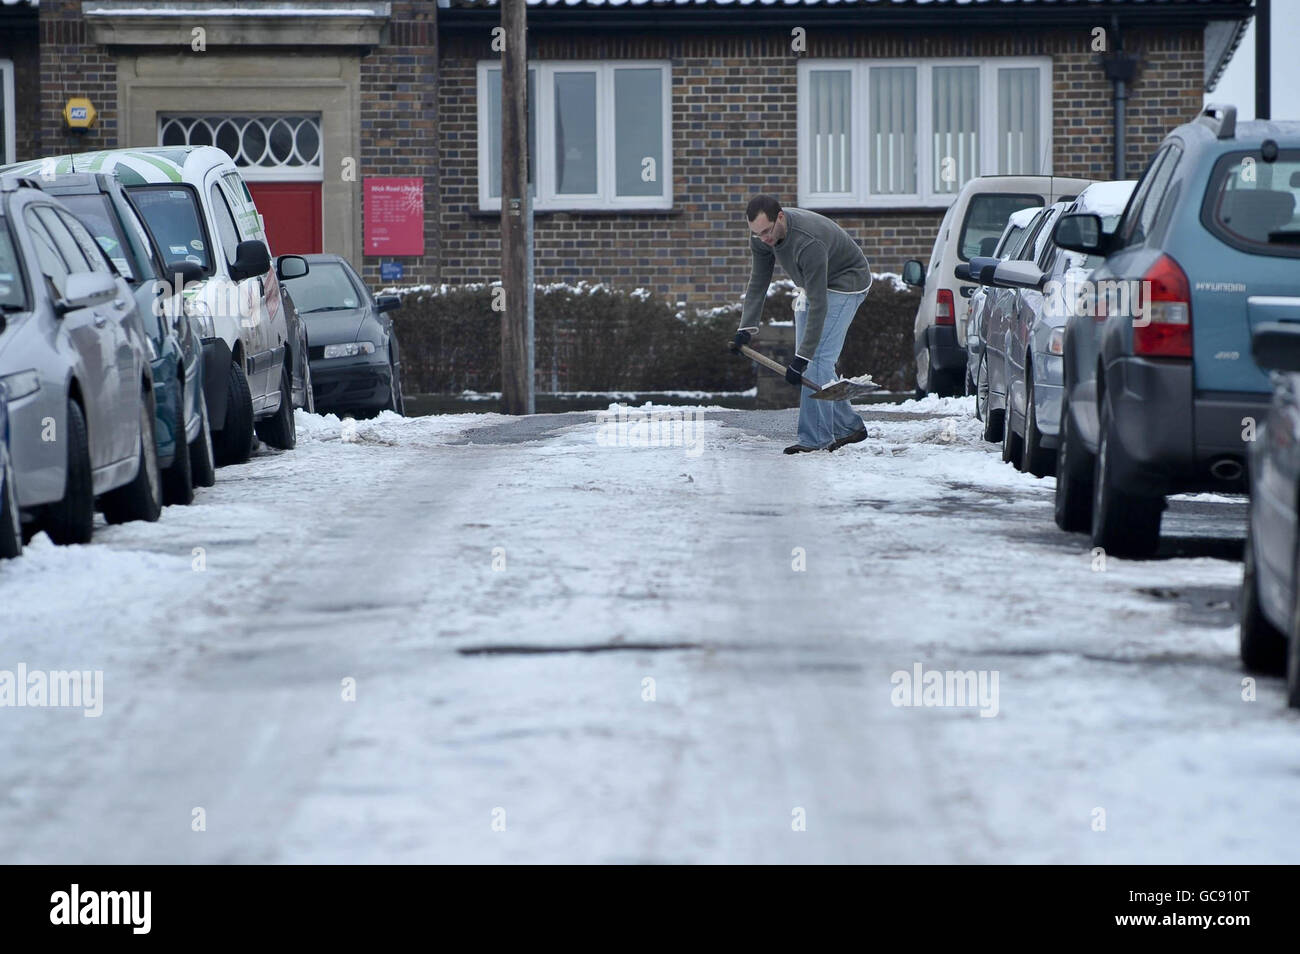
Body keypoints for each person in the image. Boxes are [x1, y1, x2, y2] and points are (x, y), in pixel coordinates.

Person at [730, 195, 873, 454]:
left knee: (815, 360)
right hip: (814, 285)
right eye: (757, 233)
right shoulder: (762, 236)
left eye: (766, 231)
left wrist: (801, 358)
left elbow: (819, 303)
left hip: (845, 283)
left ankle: (816, 439)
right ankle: (849, 427)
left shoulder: (809, 242)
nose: (763, 239)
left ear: (780, 217)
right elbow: (759, 280)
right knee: (813, 364)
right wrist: (746, 327)